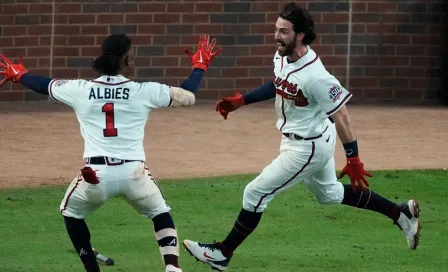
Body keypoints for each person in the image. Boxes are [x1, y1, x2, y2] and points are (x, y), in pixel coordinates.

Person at [182, 3, 421, 271]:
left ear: (300, 36)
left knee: (255, 193)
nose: (276, 36)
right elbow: (279, 83)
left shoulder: (317, 76)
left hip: (307, 148)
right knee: (329, 194)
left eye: (283, 31)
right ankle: (400, 213)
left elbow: (341, 115)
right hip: (310, 138)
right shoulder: (282, 56)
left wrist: (353, 158)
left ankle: (222, 253)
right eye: (276, 29)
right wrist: (242, 100)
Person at [0, 33, 222, 272]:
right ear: (127, 60)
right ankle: (172, 266)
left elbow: (44, 85)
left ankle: (91, 267)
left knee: (71, 212)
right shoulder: (142, 91)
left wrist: (20, 75)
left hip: (95, 175)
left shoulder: (80, 89)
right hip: (134, 174)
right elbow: (187, 96)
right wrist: (199, 67)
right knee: (160, 212)